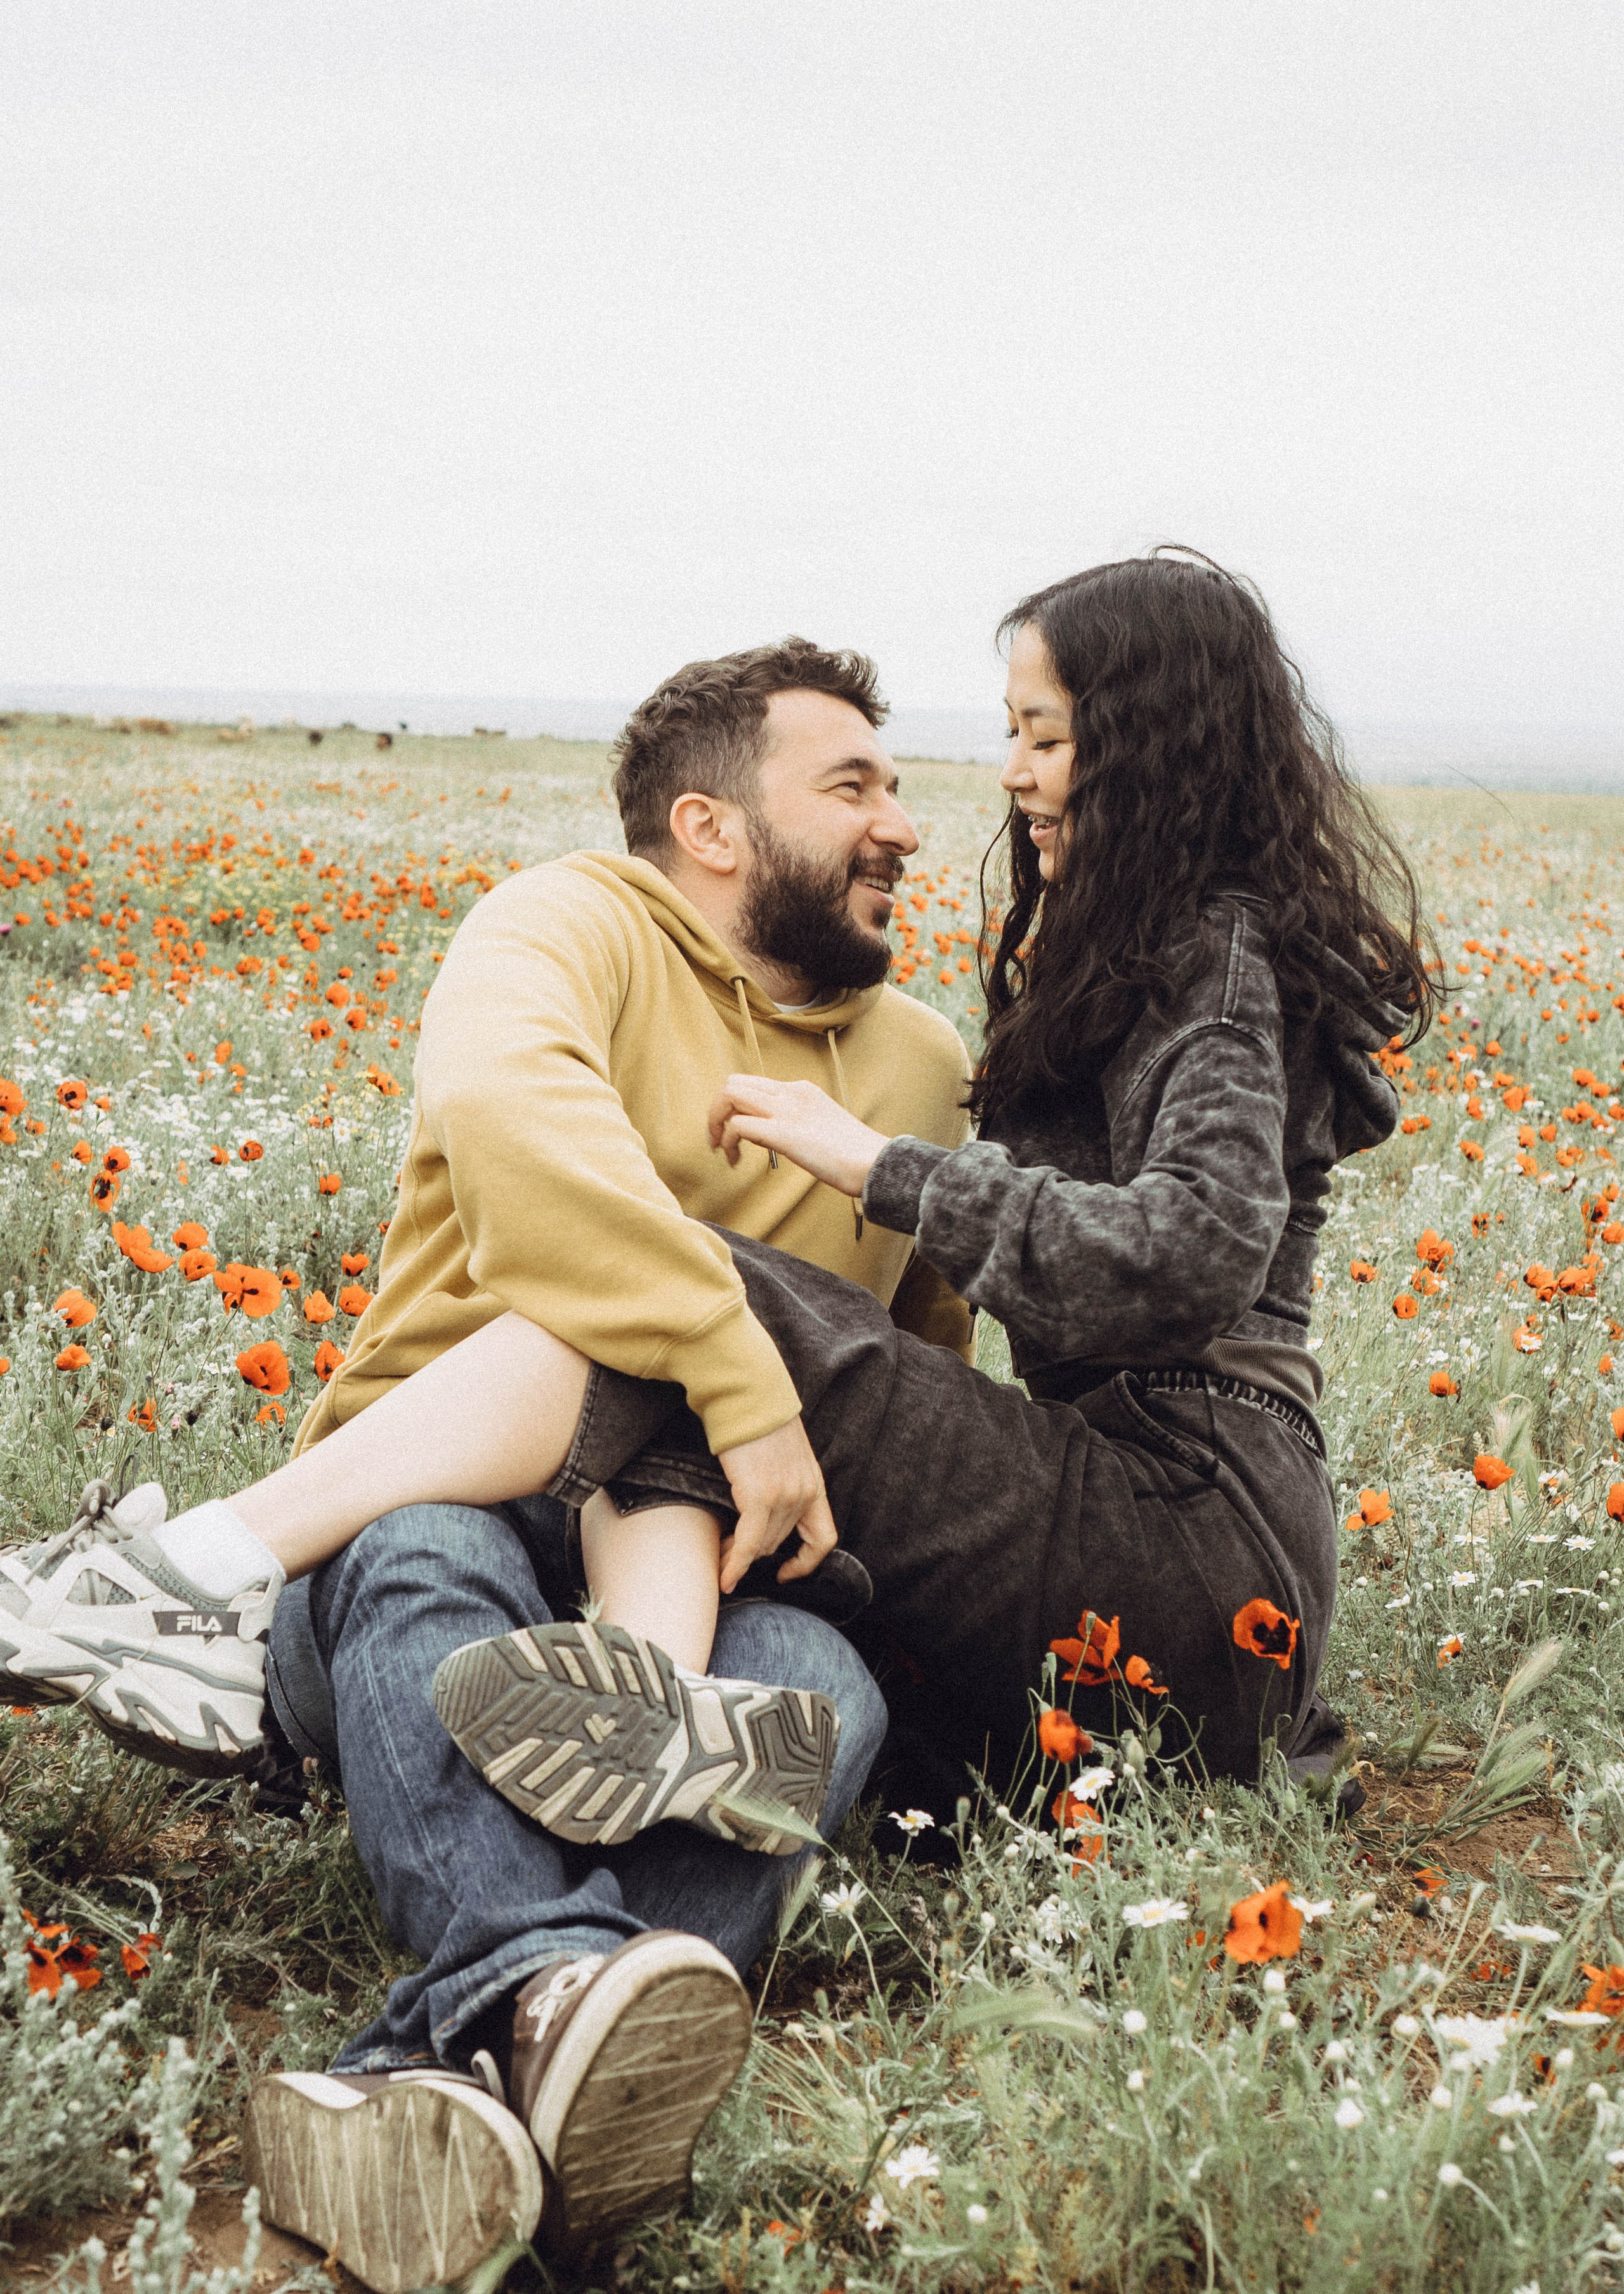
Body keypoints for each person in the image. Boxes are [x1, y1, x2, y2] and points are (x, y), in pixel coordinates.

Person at [424, 551, 1439, 1845]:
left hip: (1195, 1533)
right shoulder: (1156, 949)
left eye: (1044, 735)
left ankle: (231, 1571)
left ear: (1147, 743)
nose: (1012, 775)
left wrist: (874, 1167)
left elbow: (1190, 1252)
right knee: (697, 1337)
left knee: (700, 1279)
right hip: (1155, 1526)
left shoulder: (1218, 957)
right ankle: (664, 1707)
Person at [0, 639, 971, 1851]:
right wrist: (739, 1377)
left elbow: (923, 1365)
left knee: (812, 1693)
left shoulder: (926, 1068)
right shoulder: (565, 926)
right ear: (710, 828)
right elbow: (517, 1126)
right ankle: (528, 1970)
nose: (905, 827)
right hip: (441, 1484)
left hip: (718, 1561)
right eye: (854, 787)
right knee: (426, 1564)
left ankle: (586, 1984)